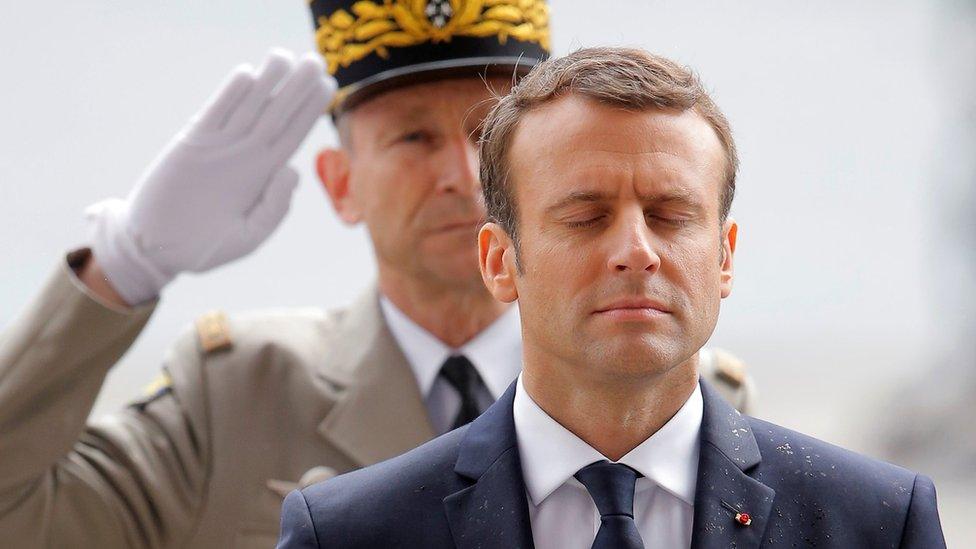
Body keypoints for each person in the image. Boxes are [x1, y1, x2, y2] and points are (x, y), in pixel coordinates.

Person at [0, 3, 751, 547]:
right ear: (339, 182)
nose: (463, 176)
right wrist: (123, 267)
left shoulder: (685, 390)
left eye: (487, 137)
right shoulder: (242, 391)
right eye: (413, 137)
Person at [277, 46, 946, 549]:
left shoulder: (875, 522)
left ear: (724, 256)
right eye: (585, 216)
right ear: (499, 261)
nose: (636, 249)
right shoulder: (349, 533)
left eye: (671, 214)